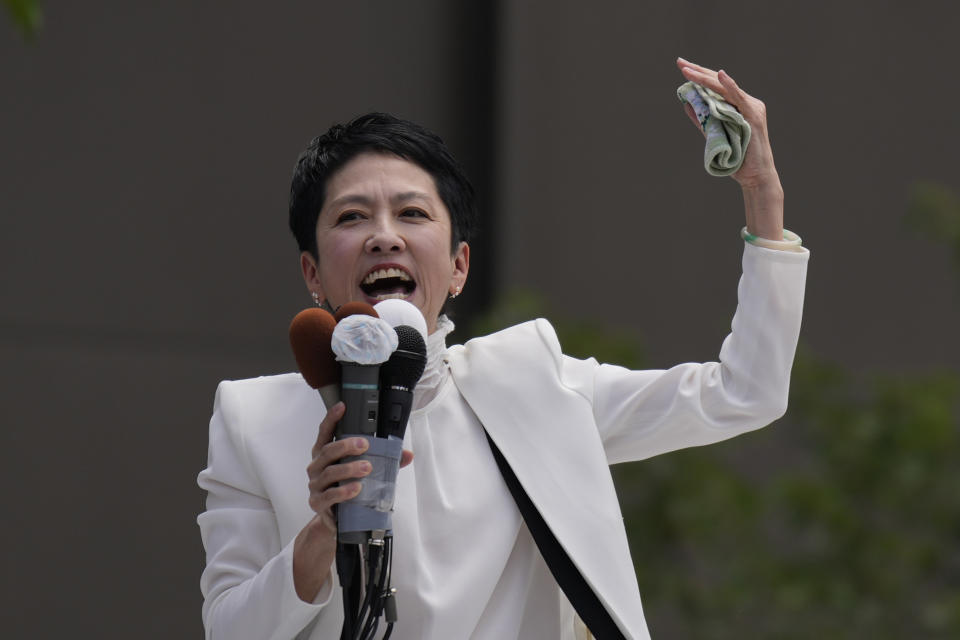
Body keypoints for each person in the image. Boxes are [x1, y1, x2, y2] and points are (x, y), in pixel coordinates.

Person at [197, 58, 809, 640]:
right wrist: (319, 536)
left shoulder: (533, 382)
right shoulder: (253, 418)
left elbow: (744, 392)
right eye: (352, 217)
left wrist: (762, 194)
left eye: (412, 213)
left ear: (459, 266)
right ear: (312, 272)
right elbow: (228, 627)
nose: (385, 237)